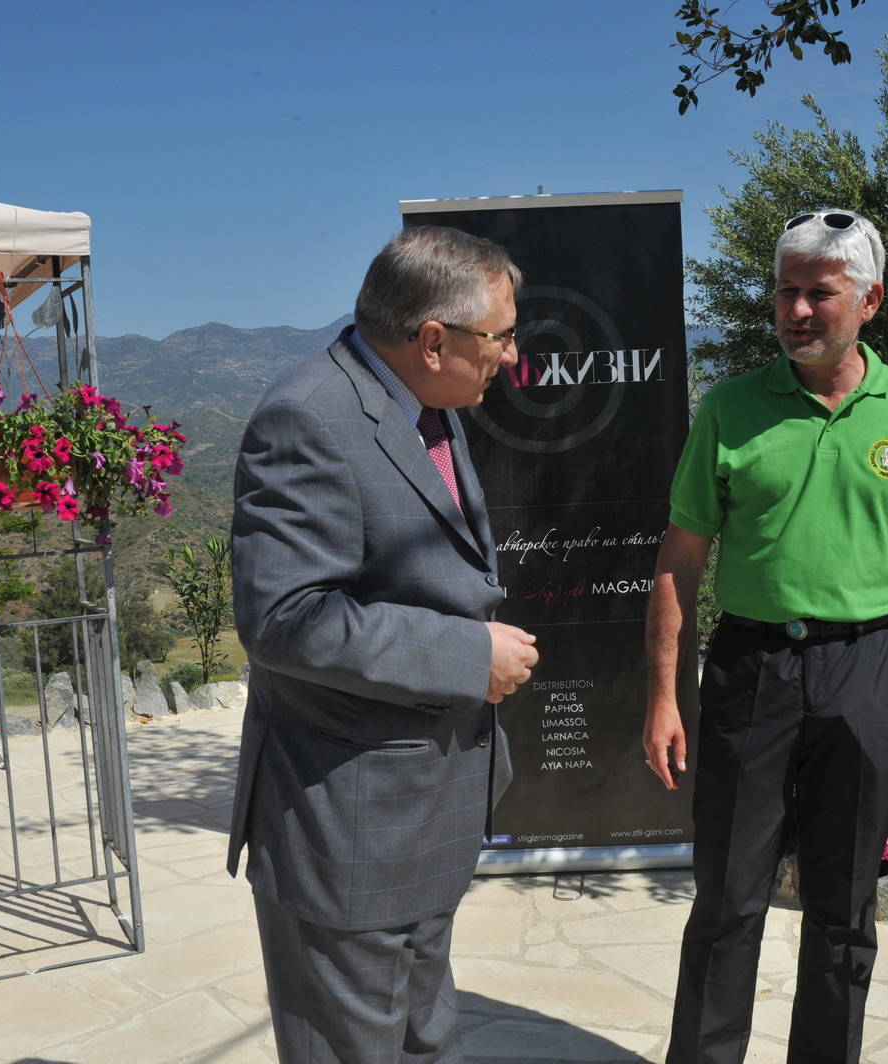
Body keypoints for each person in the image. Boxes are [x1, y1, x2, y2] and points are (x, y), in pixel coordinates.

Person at [642, 209, 888, 1064]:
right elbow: (679, 559)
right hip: (752, 669)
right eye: (785, 290)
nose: (795, 309)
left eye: (817, 293)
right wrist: (664, 698)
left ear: (870, 300)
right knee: (725, 902)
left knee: (843, 908)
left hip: (867, 670)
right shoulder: (731, 408)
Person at [226, 225, 540, 1064]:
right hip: (348, 829)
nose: (512, 356)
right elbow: (285, 616)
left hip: (420, 810)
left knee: (423, 1041)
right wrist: (468, 656)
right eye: (501, 336)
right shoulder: (308, 417)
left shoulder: (427, 403)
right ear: (432, 340)